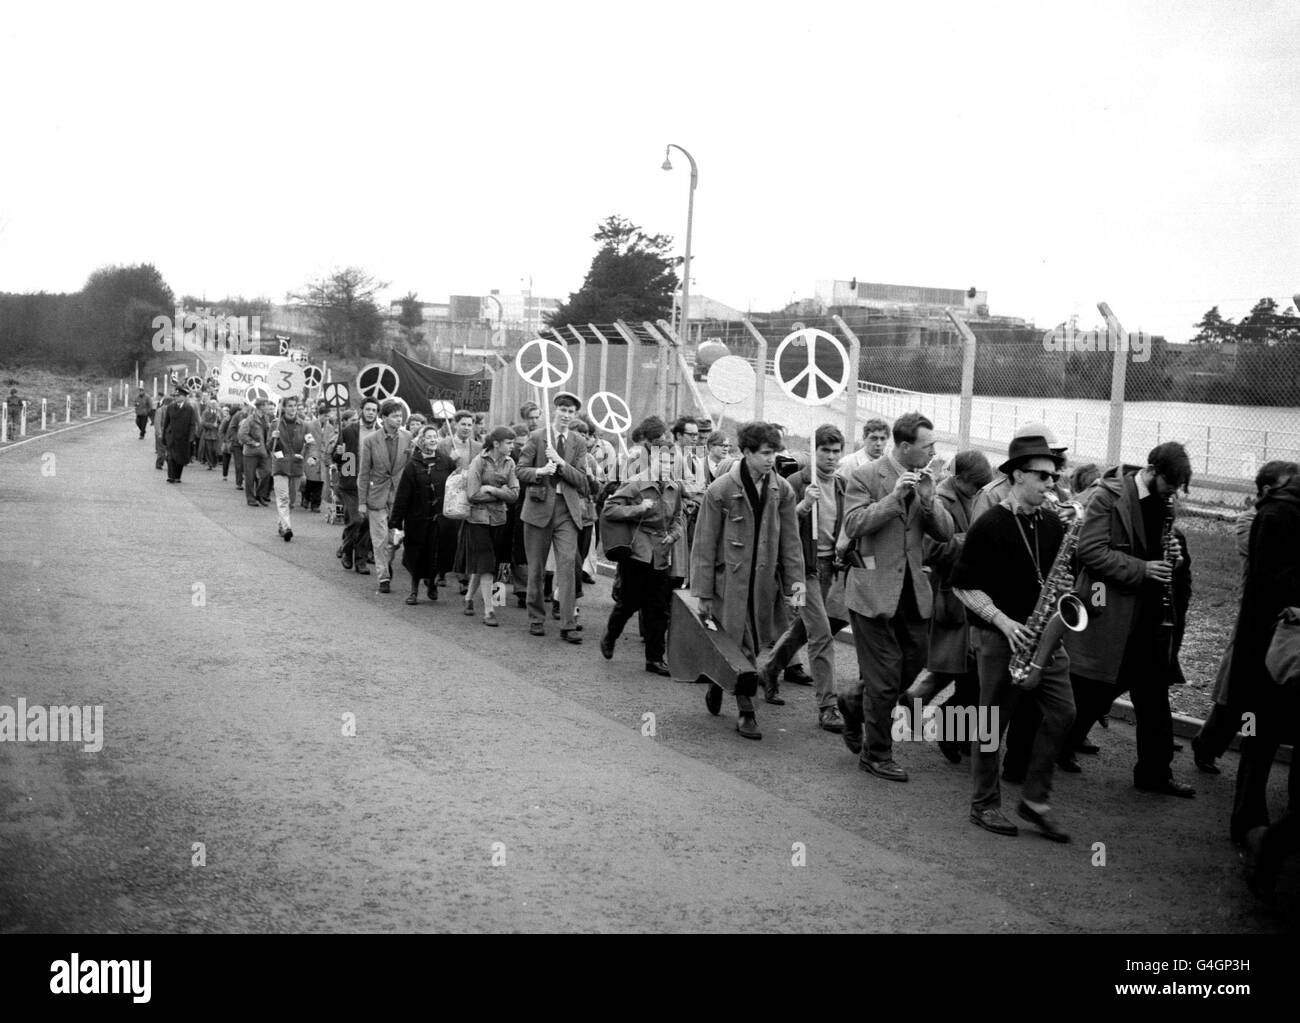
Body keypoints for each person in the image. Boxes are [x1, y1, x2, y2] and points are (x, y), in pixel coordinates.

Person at [951, 435, 1074, 841]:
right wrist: (1004, 622)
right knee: (990, 724)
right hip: (1000, 638)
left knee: (1064, 714)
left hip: (1042, 638)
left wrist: (1064, 591)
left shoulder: (1053, 522)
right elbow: (964, 587)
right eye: (1042, 476)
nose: (1050, 484)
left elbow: (1052, 577)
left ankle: (1035, 799)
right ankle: (983, 804)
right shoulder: (991, 523)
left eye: (1054, 477)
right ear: (1018, 474)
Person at [1063, 442, 1197, 798]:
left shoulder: (1165, 500)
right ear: (1152, 470)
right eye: (1169, 484)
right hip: (1112, 609)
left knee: (1153, 694)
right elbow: (1090, 552)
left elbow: (1161, 553)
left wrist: (1175, 558)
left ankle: (1154, 772)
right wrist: (1142, 568)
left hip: (1151, 615)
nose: (1172, 493)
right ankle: (1059, 744)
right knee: (1094, 688)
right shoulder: (1107, 497)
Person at [838, 411, 953, 781]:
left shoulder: (930, 479)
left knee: (911, 665)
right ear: (905, 447)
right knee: (886, 676)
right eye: (927, 446)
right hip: (872, 591)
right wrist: (893, 497)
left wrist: (929, 499)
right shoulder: (867, 475)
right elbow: (853, 525)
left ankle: (854, 700)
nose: (933, 452)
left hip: (912, 593)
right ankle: (877, 754)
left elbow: (945, 535)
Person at [690, 421, 806, 740]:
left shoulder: (782, 490)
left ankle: (717, 681)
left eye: (775, 453)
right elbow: (704, 543)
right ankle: (747, 711)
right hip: (728, 583)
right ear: (747, 452)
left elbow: (791, 545)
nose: (772, 459)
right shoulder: (720, 490)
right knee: (741, 646)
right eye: (766, 453)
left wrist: (796, 589)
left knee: (751, 643)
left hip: (763, 585)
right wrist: (702, 592)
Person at [1193, 460, 1298, 775]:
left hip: (1276, 620)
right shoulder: (1251, 521)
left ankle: (1229, 746)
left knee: (1252, 697)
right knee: (1234, 696)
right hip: (1252, 618)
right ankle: (1208, 744)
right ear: (1267, 490)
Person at [1229, 474, 1300, 900]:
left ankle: (1271, 822)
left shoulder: (1280, 510)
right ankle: (1246, 820)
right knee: (1256, 736)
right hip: (1268, 656)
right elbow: (1269, 579)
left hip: (1279, 656)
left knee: (1262, 739)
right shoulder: (1277, 514)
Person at [757, 424, 850, 733]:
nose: (832, 457)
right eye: (825, 451)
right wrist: (802, 506)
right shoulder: (793, 483)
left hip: (829, 569)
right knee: (821, 633)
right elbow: (775, 529)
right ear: (814, 451)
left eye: (837, 452)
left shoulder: (841, 485)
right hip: (800, 570)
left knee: (802, 628)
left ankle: (770, 669)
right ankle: (828, 706)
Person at [913, 449, 993, 763]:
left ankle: (926, 712)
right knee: (965, 671)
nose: (977, 491)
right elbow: (930, 548)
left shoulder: (968, 497)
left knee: (961, 670)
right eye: (974, 485)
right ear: (959, 479)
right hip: (948, 596)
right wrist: (972, 541)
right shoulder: (942, 501)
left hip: (960, 595)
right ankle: (948, 730)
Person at [600, 418, 686, 674]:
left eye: (671, 462)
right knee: (629, 602)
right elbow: (609, 509)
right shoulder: (637, 483)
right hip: (637, 551)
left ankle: (654, 659)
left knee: (657, 608)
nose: (667, 466)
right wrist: (638, 509)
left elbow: (679, 517)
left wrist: (675, 534)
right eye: (663, 461)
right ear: (653, 460)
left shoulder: (674, 487)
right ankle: (610, 635)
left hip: (661, 551)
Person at [515, 392, 589, 642]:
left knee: (568, 565)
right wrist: (540, 471)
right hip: (538, 509)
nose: (566, 416)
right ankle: (536, 618)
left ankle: (568, 623)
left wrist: (560, 464)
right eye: (563, 410)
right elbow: (520, 470)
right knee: (535, 568)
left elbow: (582, 480)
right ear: (554, 411)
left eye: (571, 412)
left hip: (567, 510)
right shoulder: (537, 437)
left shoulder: (578, 442)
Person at [462, 426, 520, 625]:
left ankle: (469, 597)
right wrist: (500, 492)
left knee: (485, 562)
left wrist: (492, 490)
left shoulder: (510, 463)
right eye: (509, 443)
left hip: (498, 520)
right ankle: (489, 611)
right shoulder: (478, 461)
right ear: (496, 444)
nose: (513, 446)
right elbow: (472, 494)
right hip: (477, 520)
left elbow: (514, 495)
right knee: (486, 563)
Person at [359, 399, 414, 593]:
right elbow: (363, 472)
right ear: (384, 418)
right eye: (395, 416)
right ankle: (383, 577)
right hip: (377, 495)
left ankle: (386, 560)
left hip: (399, 495)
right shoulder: (371, 441)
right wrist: (362, 502)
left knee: (395, 539)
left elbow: (411, 468)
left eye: (400, 416)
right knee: (380, 538)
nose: (399, 419)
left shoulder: (408, 437)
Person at [389, 424, 446, 606]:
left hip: (438, 519)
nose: (432, 440)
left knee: (436, 553)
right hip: (417, 519)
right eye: (429, 437)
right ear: (421, 441)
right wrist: (396, 521)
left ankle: (432, 583)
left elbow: (455, 486)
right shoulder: (412, 466)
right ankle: (413, 590)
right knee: (415, 554)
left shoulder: (445, 462)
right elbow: (403, 495)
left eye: (435, 436)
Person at [269, 396, 309, 542]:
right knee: (283, 497)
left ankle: (281, 524)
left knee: (291, 500)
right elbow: (270, 448)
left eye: (295, 406)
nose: (293, 409)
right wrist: (274, 439)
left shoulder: (304, 425)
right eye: (290, 406)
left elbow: (311, 445)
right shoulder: (275, 424)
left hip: (296, 467)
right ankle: (287, 528)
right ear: (283, 408)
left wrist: (307, 456)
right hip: (280, 466)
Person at [237, 398, 273, 505]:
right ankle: (251, 499)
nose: (268, 407)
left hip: (264, 451)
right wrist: (252, 442)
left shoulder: (266, 419)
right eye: (266, 405)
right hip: (251, 453)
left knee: (267, 472)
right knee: (250, 477)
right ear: (260, 406)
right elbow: (242, 434)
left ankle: (260, 494)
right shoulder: (250, 419)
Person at [161, 386, 198, 484]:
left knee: (180, 457)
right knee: (171, 457)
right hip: (172, 437)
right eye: (175, 396)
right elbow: (166, 423)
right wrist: (164, 436)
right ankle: (171, 476)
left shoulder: (189, 409)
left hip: (183, 438)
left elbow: (192, 424)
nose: (176, 398)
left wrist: (191, 438)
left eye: (178, 396)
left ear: (184, 397)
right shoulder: (170, 407)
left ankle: (177, 476)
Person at [198, 398, 220, 469]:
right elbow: (203, 423)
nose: (214, 405)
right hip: (208, 434)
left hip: (217, 434)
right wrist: (212, 425)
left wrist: (219, 421)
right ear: (210, 405)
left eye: (215, 404)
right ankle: (210, 464)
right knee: (209, 450)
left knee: (215, 449)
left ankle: (214, 462)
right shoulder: (205, 412)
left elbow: (223, 422)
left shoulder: (219, 412)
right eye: (212, 404)